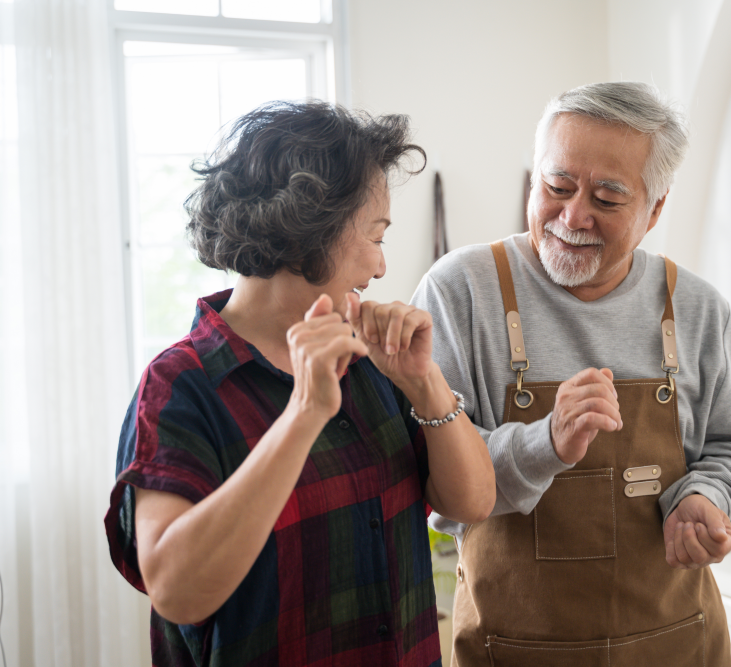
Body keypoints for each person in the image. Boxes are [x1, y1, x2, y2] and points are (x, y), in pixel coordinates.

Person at [104, 101, 495, 667]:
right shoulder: (180, 386)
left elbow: (474, 501)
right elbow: (176, 590)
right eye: (375, 235)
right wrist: (304, 412)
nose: (382, 267)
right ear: (313, 226)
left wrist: (424, 381)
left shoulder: (368, 360)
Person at [410, 82, 731, 666]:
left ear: (655, 209)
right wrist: (543, 443)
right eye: (557, 187)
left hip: (676, 646)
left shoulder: (697, 308)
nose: (572, 215)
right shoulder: (461, 291)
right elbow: (435, 484)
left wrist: (709, 497)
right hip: (511, 652)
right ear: (536, 179)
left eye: (607, 199)